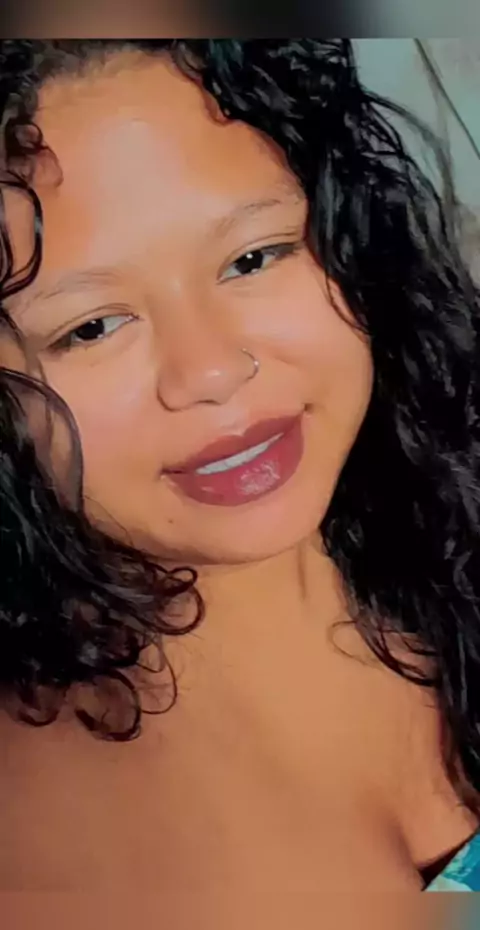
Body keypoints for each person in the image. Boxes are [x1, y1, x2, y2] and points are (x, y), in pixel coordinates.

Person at [0, 38, 480, 899]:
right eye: (91, 327)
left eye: (252, 258)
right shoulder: (71, 851)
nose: (213, 370)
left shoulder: (441, 488)